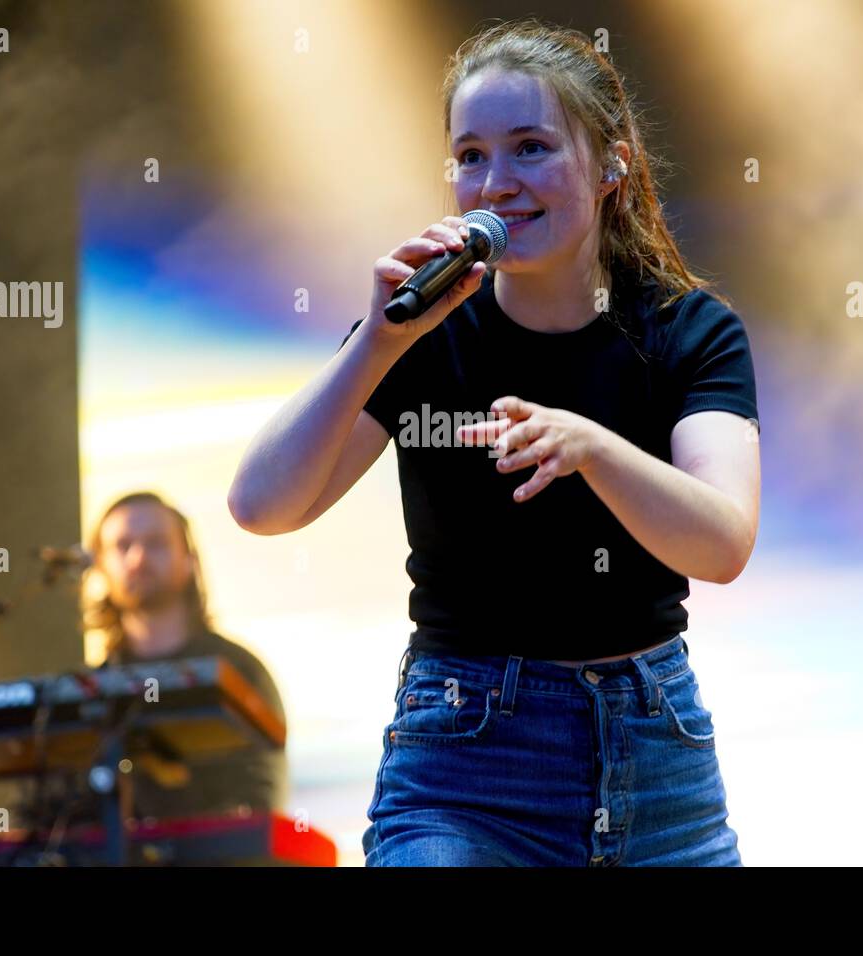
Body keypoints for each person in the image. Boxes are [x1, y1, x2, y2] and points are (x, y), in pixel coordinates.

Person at [228, 18, 759, 866]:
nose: (497, 183)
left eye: (531, 148)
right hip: (467, 755)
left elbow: (723, 542)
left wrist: (593, 447)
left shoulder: (686, 331)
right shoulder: (426, 336)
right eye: (471, 156)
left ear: (612, 161)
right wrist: (377, 339)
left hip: (654, 751)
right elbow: (262, 505)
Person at [83, 491, 290, 820]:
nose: (138, 558)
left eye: (156, 543)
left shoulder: (237, 670)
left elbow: (260, 800)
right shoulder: (93, 687)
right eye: (123, 546)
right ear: (101, 567)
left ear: (189, 560)